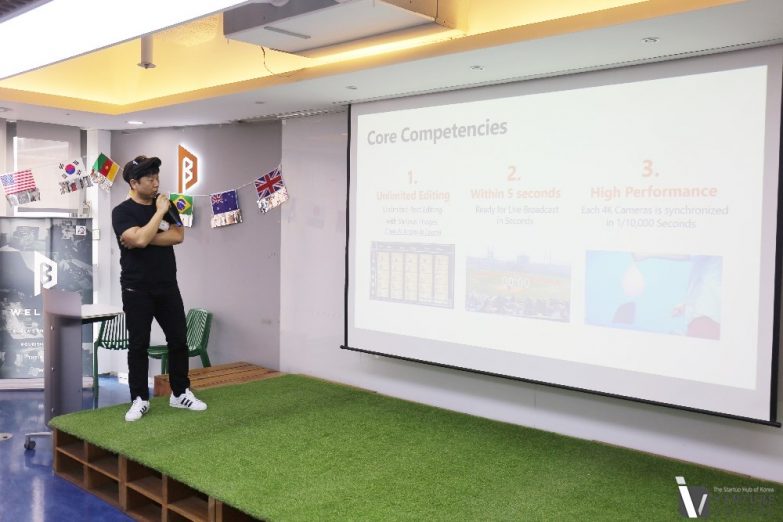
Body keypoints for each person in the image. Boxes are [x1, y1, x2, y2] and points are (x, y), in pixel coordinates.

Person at [112, 155, 207, 421]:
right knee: (138, 345)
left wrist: (142, 236)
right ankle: (140, 399)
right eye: (150, 179)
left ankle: (180, 393)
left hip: (167, 286)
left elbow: (178, 235)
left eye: (157, 178)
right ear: (134, 183)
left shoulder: (166, 203)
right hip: (136, 289)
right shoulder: (122, 212)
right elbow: (141, 240)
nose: (156, 184)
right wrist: (157, 215)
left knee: (178, 340)